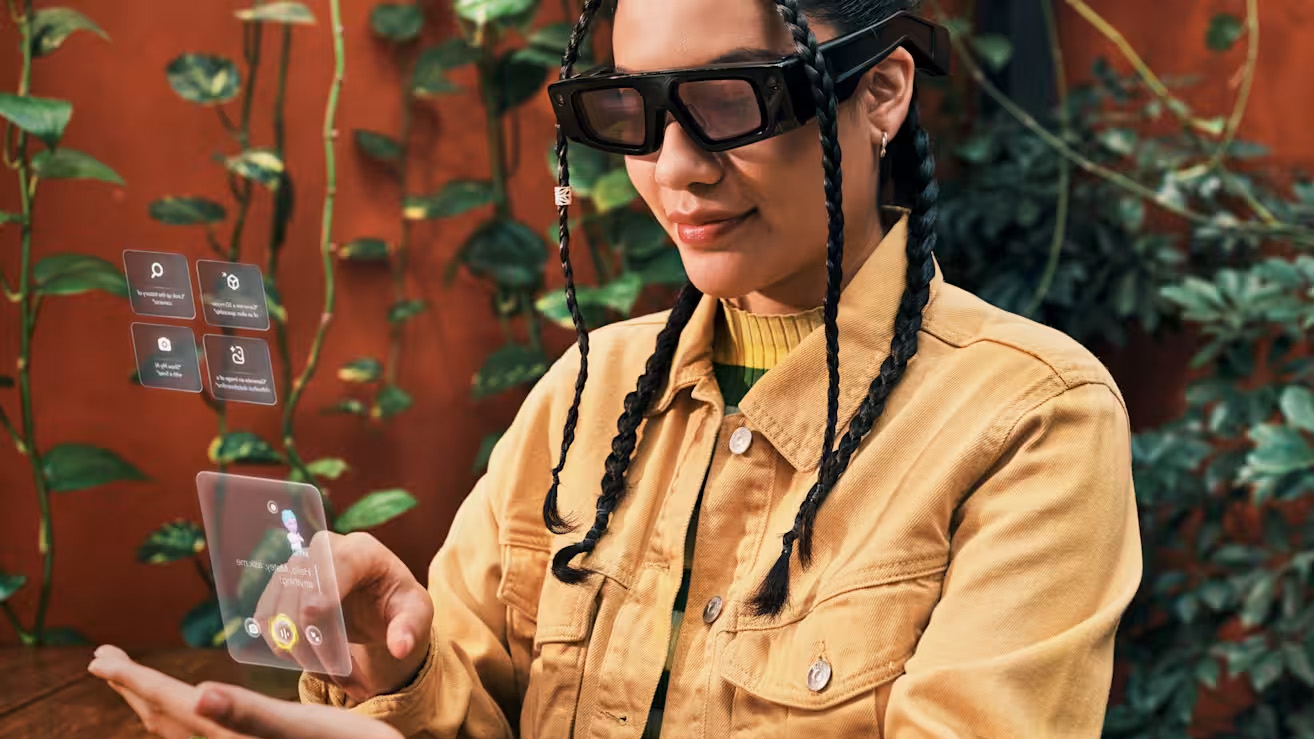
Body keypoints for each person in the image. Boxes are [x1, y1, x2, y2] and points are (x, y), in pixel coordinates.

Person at [88, 0, 1142, 737]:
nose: (674, 167)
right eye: (628, 112)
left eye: (730, 100)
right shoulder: (586, 396)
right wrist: (397, 675)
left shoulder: (1030, 419)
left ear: (881, 92)